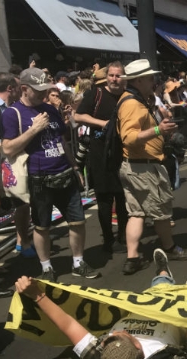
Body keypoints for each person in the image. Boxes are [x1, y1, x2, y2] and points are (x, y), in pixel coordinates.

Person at [13, 248, 187, 359]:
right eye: (124, 334)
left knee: (158, 286)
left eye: (107, 338)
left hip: (148, 304)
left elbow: (67, 324)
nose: (112, 334)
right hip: (175, 312)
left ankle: (164, 273)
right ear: (137, 346)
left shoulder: (101, 356)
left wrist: (36, 295)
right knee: (174, 291)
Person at [0, 68, 98, 282]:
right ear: (24, 89)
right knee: (42, 226)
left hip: (64, 172)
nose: (43, 94)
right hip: (38, 178)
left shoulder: (50, 109)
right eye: (38, 90)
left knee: (77, 221)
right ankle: (46, 267)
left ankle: (78, 262)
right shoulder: (12, 113)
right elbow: (7, 148)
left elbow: (62, 140)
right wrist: (34, 130)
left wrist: (74, 166)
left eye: (45, 89)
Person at [117, 59, 187, 275]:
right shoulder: (132, 103)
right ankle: (169, 248)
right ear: (139, 80)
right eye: (150, 77)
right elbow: (129, 137)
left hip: (134, 166)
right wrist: (159, 131)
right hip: (144, 167)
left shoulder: (132, 100)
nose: (154, 81)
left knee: (136, 213)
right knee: (161, 213)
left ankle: (133, 258)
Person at [73, 62, 128, 254]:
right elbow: (77, 116)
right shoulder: (96, 94)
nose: (114, 79)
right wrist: (102, 123)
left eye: (118, 76)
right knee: (104, 200)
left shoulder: (127, 96)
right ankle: (108, 240)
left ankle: (123, 236)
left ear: (124, 78)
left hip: (123, 155)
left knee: (123, 199)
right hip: (100, 155)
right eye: (111, 75)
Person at [0, 72, 34, 259]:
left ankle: (22, 241)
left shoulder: (13, 108)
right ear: (11, 88)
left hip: (9, 166)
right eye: (19, 87)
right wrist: (1, 146)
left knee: (21, 203)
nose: (22, 91)